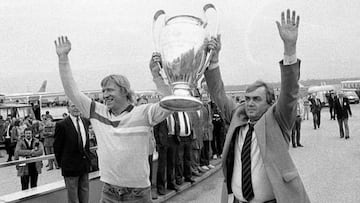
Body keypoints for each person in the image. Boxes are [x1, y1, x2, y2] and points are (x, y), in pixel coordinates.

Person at [204, 9, 309, 202]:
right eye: (247, 98)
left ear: (270, 102)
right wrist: (214, 60)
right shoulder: (239, 115)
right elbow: (218, 93)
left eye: (256, 99)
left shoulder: (279, 121)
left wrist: (290, 49)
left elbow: (290, 92)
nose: (249, 103)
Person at [55, 36, 171, 203]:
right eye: (103, 91)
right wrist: (63, 59)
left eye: (109, 90)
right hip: (109, 193)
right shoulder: (97, 112)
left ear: (124, 91)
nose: (105, 95)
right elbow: (72, 91)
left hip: (138, 194)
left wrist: (156, 75)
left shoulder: (143, 113)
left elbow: (169, 104)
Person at [53, 101, 91, 203]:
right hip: (70, 167)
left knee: (85, 193)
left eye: (78, 105)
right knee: (73, 198)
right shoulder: (62, 125)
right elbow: (57, 147)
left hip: (84, 165)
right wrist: (63, 164)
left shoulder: (85, 121)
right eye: (73, 106)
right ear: (68, 108)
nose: (76, 108)